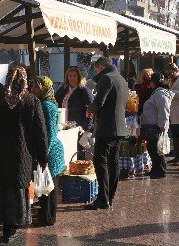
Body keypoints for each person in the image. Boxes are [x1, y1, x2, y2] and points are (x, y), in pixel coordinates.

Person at [0, 65, 48, 243]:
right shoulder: (31, 101)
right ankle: (9, 231)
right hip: (19, 157)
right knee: (12, 194)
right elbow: (40, 132)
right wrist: (43, 157)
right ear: (24, 80)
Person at [86, 57, 129, 210]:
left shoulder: (106, 78)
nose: (96, 72)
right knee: (113, 162)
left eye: (96, 69)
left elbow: (99, 102)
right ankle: (109, 196)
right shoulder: (122, 79)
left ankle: (103, 199)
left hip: (106, 127)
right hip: (119, 127)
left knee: (100, 161)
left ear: (101, 67)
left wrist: (90, 109)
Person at [30, 76, 65, 225]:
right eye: (33, 87)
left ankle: (48, 217)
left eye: (37, 87)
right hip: (48, 149)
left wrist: (44, 153)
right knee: (46, 183)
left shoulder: (46, 106)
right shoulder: (44, 103)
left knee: (48, 185)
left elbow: (49, 132)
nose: (33, 90)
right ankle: (46, 214)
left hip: (50, 150)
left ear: (45, 89)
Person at [140, 72, 174, 179]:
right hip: (152, 124)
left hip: (155, 125)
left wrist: (163, 125)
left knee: (157, 149)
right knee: (152, 148)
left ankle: (161, 170)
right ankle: (155, 169)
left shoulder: (160, 94)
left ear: (153, 82)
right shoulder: (157, 93)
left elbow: (163, 110)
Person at [55, 66, 95, 131]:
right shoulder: (63, 89)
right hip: (63, 127)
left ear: (79, 77)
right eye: (70, 76)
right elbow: (55, 102)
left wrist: (85, 127)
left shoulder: (84, 91)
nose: (72, 78)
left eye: (74, 76)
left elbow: (91, 110)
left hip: (79, 128)